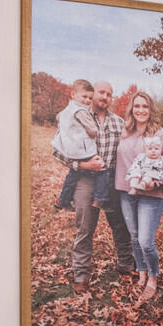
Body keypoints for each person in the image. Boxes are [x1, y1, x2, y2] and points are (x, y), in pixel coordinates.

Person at [53, 80, 128, 279]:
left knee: (120, 224)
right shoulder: (74, 117)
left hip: (111, 179)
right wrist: (83, 165)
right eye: (101, 92)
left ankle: (126, 264)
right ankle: (81, 274)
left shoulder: (119, 123)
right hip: (85, 179)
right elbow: (57, 151)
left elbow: (129, 150)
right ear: (92, 94)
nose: (104, 97)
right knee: (85, 227)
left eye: (109, 94)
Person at [112, 91, 163, 301]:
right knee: (134, 236)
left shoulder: (160, 134)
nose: (141, 110)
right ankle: (141, 271)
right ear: (132, 109)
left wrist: (156, 183)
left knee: (145, 241)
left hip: (151, 194)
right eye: (137, 106)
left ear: (151, 110)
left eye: (145, 106)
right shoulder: (124, 132)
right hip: (126, 190)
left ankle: (152, 276)